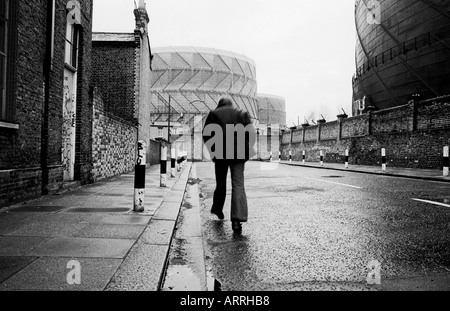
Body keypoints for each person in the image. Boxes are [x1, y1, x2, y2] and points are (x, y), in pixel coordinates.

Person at [202, 97, 256, 233]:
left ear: (219, 104)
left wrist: (213, 150)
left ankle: (217, 209)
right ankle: (237, 221)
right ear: (231, 104)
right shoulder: (241, 113)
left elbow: (206, 134)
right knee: (238, 184)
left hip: (221, 154)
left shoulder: (214, 114)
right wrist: (246, 147)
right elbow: (251, 133)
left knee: (221, 183)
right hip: (239, 155)